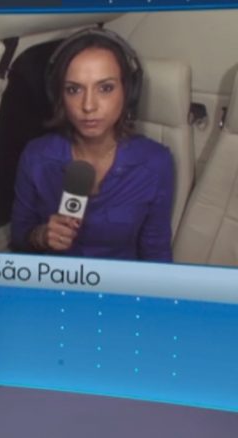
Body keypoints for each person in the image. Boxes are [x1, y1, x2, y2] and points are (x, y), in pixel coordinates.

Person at [10, 27, 174, 262]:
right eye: (74, 89)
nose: (88, 106)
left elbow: (156, 252)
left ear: (128, 92)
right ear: (59, 96)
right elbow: (19, 235)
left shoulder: (156, 163)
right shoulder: (36, 156)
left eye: (105, 88)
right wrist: (42, 236)